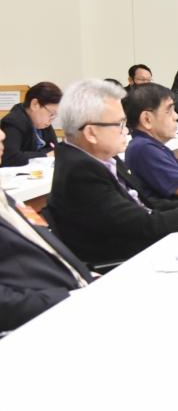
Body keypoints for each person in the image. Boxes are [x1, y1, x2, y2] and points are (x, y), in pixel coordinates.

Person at [46, 80, 178, 265]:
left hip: (146, 248)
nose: (126, 131)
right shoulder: (80, 172)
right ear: (91, 133)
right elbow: (141, 225)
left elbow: (147, 204)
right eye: (119, 124)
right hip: (126, 264)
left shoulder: (103, 157)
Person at [0, 127, 93, 332]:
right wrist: (67, 298)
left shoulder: (5, 198)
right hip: (44, 319)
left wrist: (88, 278)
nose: (2, 135)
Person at [124, 83, 178, 201]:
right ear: (147, 119)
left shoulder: (150, 145)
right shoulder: (144, 149)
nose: (176, 116)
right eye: (169, 110)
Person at [0, 82, 62, 167]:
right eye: (51, 114)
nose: (52, 119)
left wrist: (28, 154)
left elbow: (54, 149)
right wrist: (45, 155)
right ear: (35, 104)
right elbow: (10, 157)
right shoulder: (13, 121)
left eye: (55, 115)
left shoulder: (43, 123)